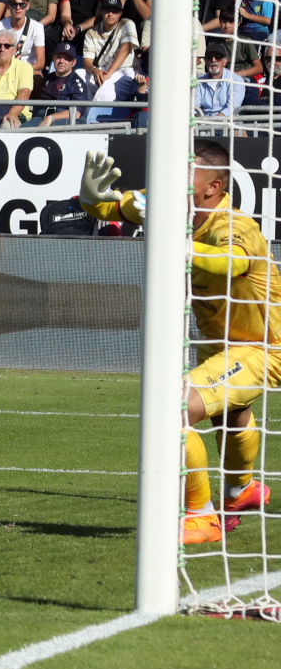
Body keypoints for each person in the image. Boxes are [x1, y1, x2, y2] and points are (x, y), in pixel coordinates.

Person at [78, 142, 272, 545]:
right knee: (230, 416)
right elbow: (111, 209)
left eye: (187, 174)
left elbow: (230, 263)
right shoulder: (167, 202)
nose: (172, 181)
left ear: (212, 187)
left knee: (174, 409)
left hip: (263, 346)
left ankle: (201, 517)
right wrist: (91, 198)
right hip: (218, 341)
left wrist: (171, 237)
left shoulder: (235, 226)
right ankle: (241, 492)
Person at [82, 0, 137, 93]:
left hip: (124, 70)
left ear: (120, 14)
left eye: (114, 11)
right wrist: (94, 70)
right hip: (101, 70)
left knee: (106, 85)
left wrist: (109, 74)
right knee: (78, 75)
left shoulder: (127, 24)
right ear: (102, 12)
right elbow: (87, 60)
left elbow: (125, 49)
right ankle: (80, 108)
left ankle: (94, 108)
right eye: (107, 10)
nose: (110, 14)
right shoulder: (91, 32)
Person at [0, 0, 45, 74]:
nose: (18, 8)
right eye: (14, 4)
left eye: (22, 5)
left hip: (27, 69)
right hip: (4, 68)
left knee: (38, 76)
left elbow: (40, 63)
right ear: (9, 6)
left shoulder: (37, 27)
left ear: (27, 6)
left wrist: (20, 71)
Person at [36, 41, 87, 125]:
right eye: (59, 57)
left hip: (65, 125)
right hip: (42, 120)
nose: (61, 61)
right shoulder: (47, 79)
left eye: (67, 58)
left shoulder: (77, 83)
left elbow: (76, 113)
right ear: (53, 58)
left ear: (73, 62)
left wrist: (51, 118)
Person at [195, 42, 245, 117]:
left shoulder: (236, 81)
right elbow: (194, 107)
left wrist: (212, 123)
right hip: (203, 124)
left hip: (228, 124)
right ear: (205, 61)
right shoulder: (199, 81)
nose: (213, 60)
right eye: (209, 57)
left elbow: (231, 108)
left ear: (225, 62)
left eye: (218, 57)